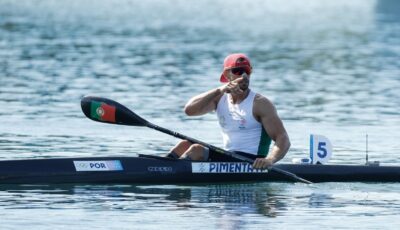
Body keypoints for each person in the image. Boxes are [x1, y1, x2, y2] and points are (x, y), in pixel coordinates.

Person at [166, 53, 290, 169]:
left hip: (252, 161)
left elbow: (282, 138)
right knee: (184, 145)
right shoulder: (219, 99)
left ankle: (169, 173)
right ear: (226, 75)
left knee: (196, 150)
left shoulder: (260, 103)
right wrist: (220, 90)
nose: (244, 76)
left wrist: (270, 160)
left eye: (247, 71)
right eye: (238, 71)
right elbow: (189, 110)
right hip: (229, 156)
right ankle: (162, 168)